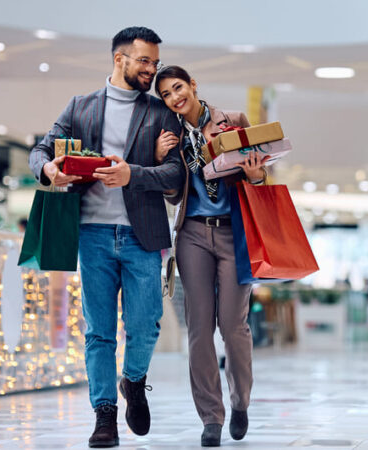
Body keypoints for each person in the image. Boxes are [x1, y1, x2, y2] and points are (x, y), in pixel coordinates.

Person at [29, 27, 184, 448]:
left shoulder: (160, 113)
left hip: (143, 234)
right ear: (120, 59)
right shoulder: (81, 107)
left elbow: (175, 174)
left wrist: (134, 173)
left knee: (146, 324)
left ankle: (133, 381)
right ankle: (104, 415)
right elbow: (40, 152)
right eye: (144, 62)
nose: (152, 70)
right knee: (99, 331)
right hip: (92, 233)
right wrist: (49, 170)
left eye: (154, 62)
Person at [153, 65, 268, 447]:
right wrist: (159, 160)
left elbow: (259, 177)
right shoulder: (169, 137)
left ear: (193, 86)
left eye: (178, 88)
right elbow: (172, 195)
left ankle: (241, 401)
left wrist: (255, 176)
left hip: (234, 233)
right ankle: (211, 417)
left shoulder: (231, 121)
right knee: (200, 330)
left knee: (233, 328)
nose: (174, 98)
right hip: (192, 234)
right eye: (167, 94)